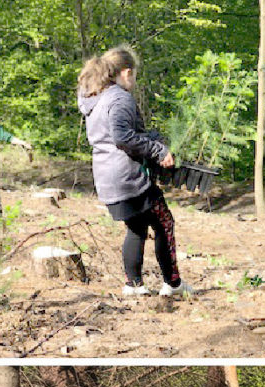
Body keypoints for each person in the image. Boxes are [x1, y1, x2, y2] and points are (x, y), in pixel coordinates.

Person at [77, 46, 193, 298]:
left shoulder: (95, 97)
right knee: (164, 222)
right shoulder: (118, 97)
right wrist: (158, 151)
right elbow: (122, 137)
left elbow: (117, 134)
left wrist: (151, 139)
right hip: (128, 178)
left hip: (107, 178)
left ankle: (134, 285)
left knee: (137, 227)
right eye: (135, 75)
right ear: (127, 72)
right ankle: (172, 284)